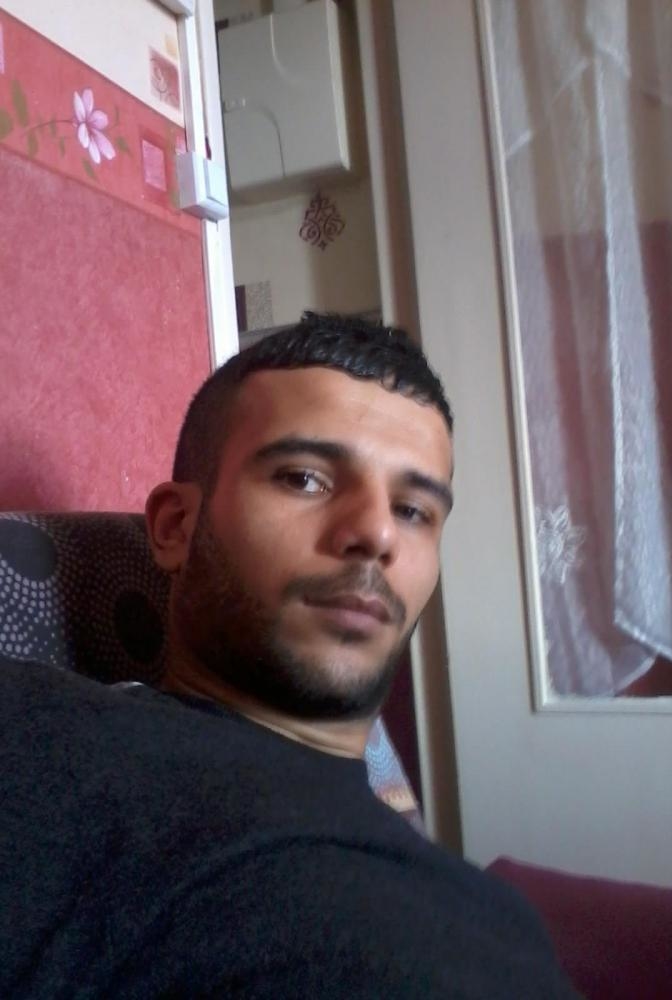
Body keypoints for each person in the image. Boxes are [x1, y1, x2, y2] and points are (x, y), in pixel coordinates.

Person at [0, 313, 577, 997]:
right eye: (305, 478)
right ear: (176, 527)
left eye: (414, 510)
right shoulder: (35, 733)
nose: (377, 534)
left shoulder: (501, 911)